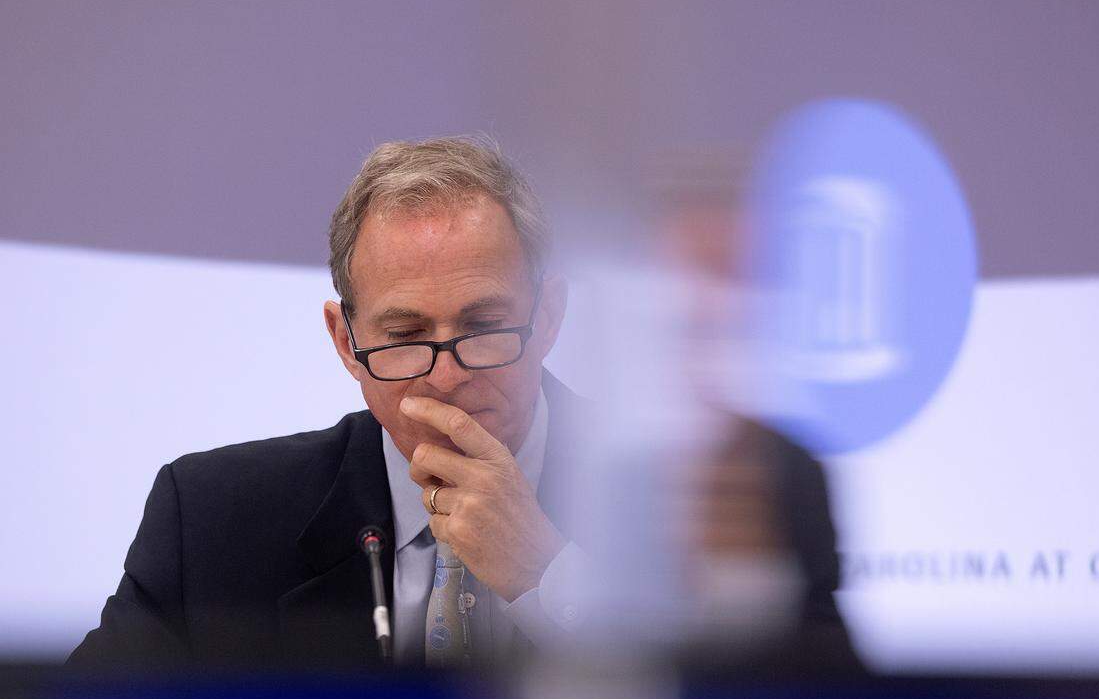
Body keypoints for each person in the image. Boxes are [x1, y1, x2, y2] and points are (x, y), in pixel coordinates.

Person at [69, 136, 849, 671]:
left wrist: (548, 576)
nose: (444, 379)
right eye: (405, 335)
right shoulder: (214, 521)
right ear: (344, 340)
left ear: (549, 316)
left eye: (482, 327)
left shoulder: (725, 489)